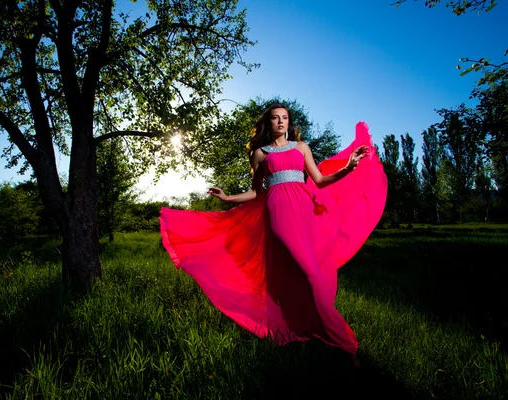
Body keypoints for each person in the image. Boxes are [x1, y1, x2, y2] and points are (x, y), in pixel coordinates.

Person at [159, 103, 387, 363]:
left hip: (305, 212)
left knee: (312, 273)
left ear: (290, 123)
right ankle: (343, 341)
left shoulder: (301, 148)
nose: (281, 122)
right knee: (309, 274)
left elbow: (320, 181)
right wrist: (227, 197)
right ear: (268, 124)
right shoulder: (260, 154)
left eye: (285, 118)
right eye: (276, 118)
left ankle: (307, 328)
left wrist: (347, 167)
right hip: (279, 215)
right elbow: (257, 191)